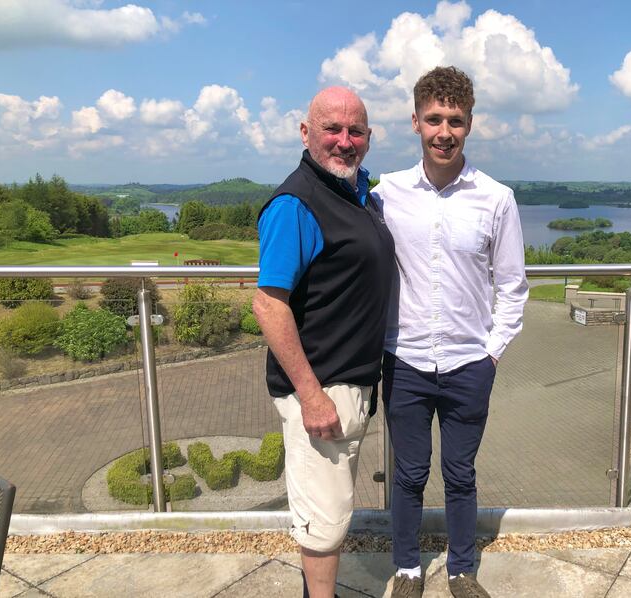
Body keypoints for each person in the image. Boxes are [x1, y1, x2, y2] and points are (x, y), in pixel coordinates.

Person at [372, 67, 529, 598]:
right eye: (434, 119)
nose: (444, 131)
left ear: (469, 125)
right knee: (410, 474)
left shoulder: (496, 199)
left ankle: (461, 570)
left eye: (455, 121)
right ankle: (409, 569)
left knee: (460, 475)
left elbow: (513, 286)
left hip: (468, 364)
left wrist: (491, 354)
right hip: (406, 362)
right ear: (415, 122)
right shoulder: (384, 195)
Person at [252, 86, 394, 598]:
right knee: (325, 522)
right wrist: (311, 397)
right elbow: (269, 305)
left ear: (369, 139)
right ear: (306, 133)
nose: (344, 140)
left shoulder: (356, 194)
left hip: (348, 386)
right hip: (323, 392)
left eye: (355, 130)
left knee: (333, 513)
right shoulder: (296, 202)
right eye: (332, 129)